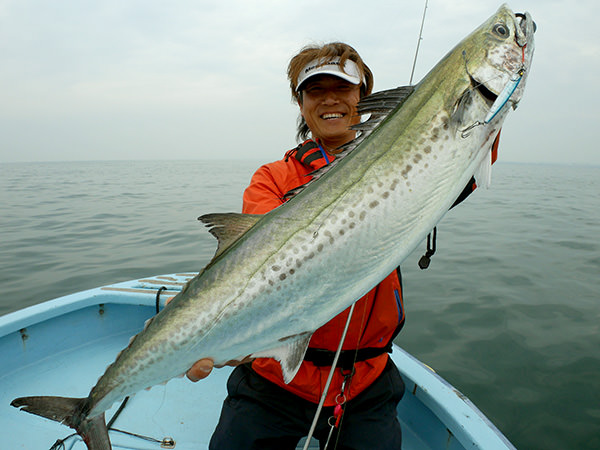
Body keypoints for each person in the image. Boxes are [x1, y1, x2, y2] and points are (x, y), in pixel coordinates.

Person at [183, 41, 499, 449]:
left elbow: (460, 157)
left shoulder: (409, 160)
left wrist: (482, 106)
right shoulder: (273, 179)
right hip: (274, 379)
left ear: (362, 96)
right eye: (316, 91)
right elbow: (252, 266)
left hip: (365, 382)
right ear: (300, 104)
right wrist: (205, 324)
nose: (330, 99)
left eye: (343, 89)